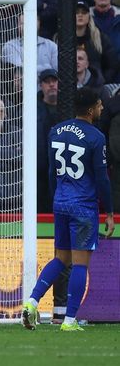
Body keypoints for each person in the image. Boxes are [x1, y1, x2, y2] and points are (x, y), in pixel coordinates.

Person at [22, 88, 115, 332]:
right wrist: (108, 212)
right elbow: (102, 179)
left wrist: (57, 197)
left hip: (61, 202)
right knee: (80, 264)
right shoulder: (96, 137)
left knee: (61, 258)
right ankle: (70, 320)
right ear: (91, 109)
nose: (102, 108)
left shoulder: (56, 131)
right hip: (83, 205)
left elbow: (52, 171)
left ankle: (31, 302)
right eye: (99, 104)